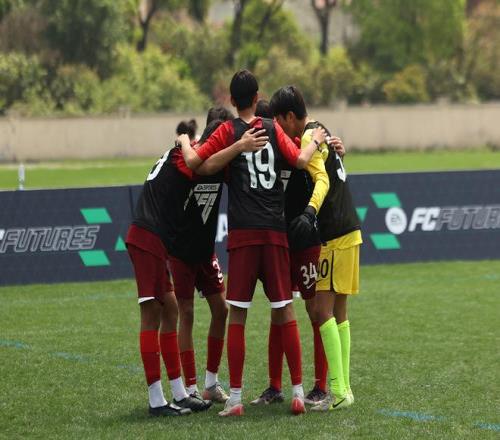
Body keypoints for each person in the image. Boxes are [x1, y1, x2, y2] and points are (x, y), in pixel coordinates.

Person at [179, 70, 327, 417]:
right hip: (275, 232)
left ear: (232, 101)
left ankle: (234, 399)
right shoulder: (273, 128)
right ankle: (297, 393)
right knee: (285, 309)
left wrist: (195, 142)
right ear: (258, 96)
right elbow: (301, 160)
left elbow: (197, 164)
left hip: (244, 233)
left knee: (239, 315)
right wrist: (317, 139)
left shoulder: (227, 131)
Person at [126, 109, 266, 416]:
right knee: (152, 315)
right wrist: (226, 145)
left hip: (158, 239)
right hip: (150, 237)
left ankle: (180, 393)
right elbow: (196, 163)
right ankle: (158, 400)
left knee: (171, 310)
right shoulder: (186, 155)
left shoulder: (185, 150)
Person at [266, 85, 362, 411]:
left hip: (334, 233)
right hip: (350, 228)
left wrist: (309, 212)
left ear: (290, 116)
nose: (279, 129)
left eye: (280, 122)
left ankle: (335, 390)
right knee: (339, 313)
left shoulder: (309, 136)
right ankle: (344, 390)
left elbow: (322, 181)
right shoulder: (322, 130)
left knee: (321, 312)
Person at [251, 98, 330, 406]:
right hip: (280, 242)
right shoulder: (257, 154)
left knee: (315, 310)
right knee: (279, 309)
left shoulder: (298, 145)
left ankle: (320, 385)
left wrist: (332, 146)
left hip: (307, 240)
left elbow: (320, 160)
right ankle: (274, 386)